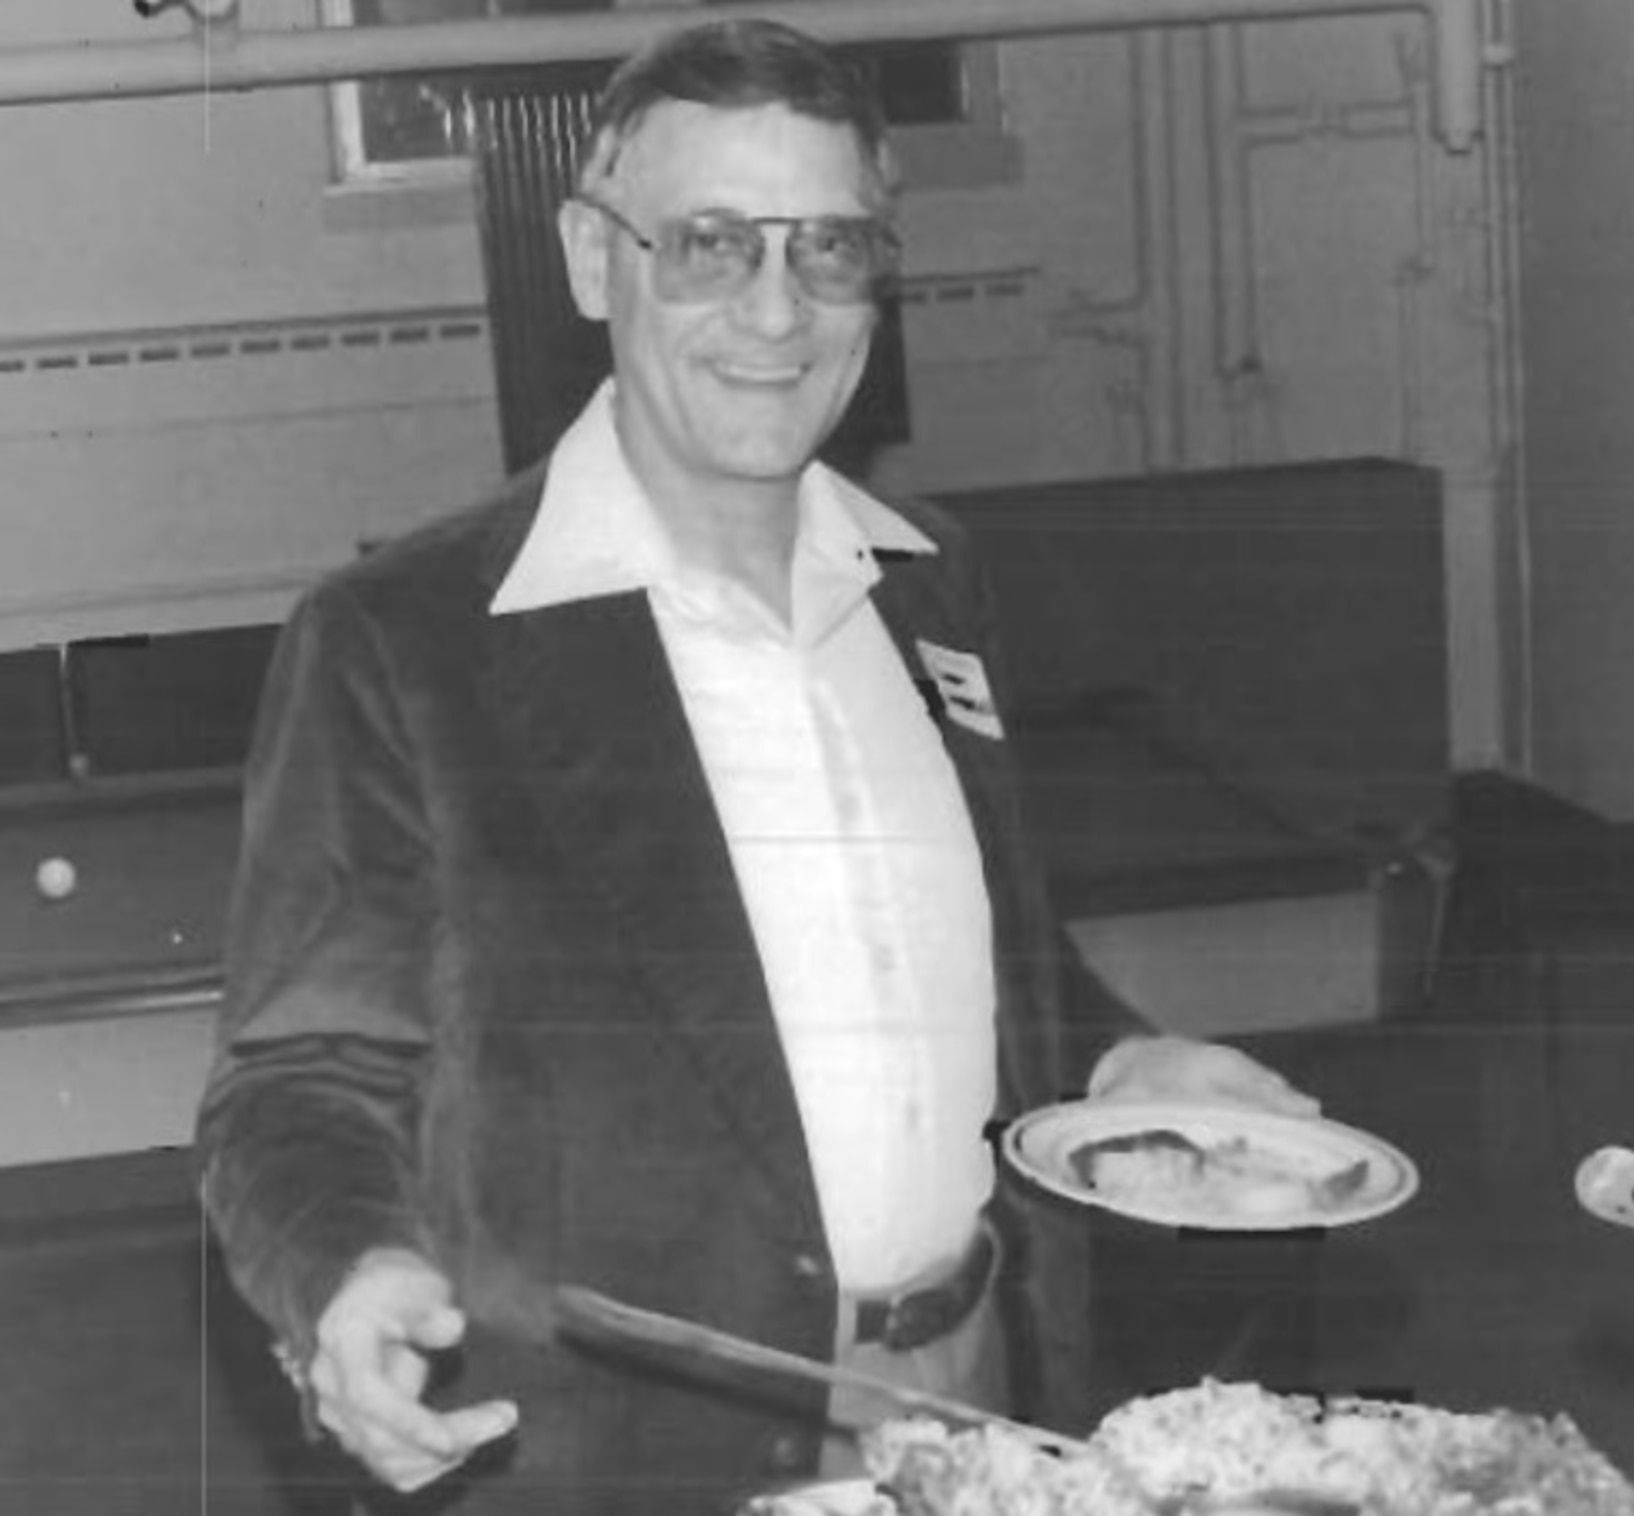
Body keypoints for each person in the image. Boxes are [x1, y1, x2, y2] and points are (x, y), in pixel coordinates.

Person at [196, 18, 1318, 1515]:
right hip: (631, 1458)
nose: (777, 312)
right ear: (595, 263)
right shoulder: (404, 643)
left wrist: (1119, 1065)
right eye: (712, 244)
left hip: (985, 1394)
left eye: (831, 250)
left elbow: (968, 952)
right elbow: (296, 1082)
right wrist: (344, 1268)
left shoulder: (929, 585)